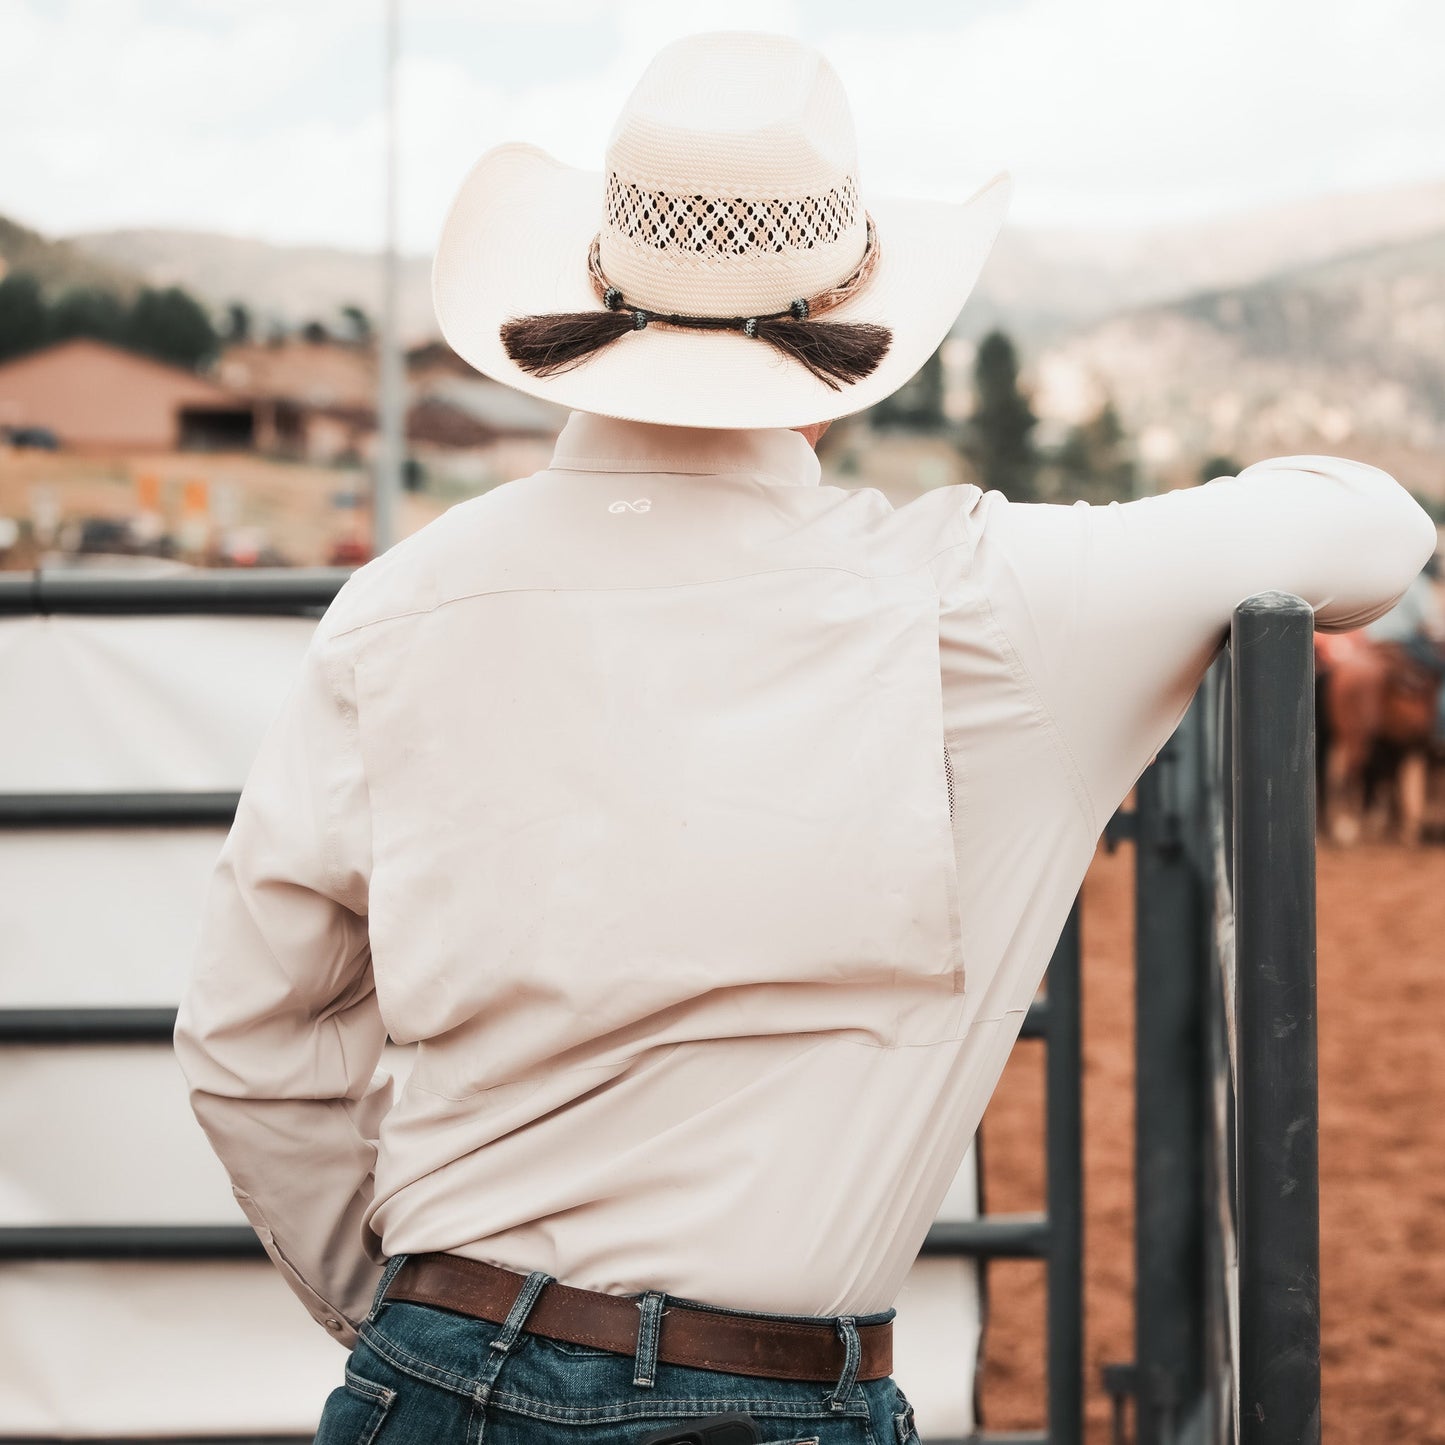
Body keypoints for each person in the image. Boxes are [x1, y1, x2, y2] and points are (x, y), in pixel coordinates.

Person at [171, 30, 1439, 1445]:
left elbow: (247, 1034)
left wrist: (422, 1314)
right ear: (853, 316)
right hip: (768, 1392)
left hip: (433, 1371)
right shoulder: (985, 606)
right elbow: (1369, 525)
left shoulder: (393, 609)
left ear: (592, 285)